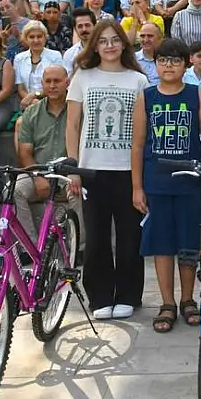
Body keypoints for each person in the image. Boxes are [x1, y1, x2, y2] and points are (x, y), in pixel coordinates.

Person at [131, 38, 201, 332]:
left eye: (175, 60)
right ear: (155, 64)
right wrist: (137, 187)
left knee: (187, 244)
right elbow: (137, 144)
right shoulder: (146, 97)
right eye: (163, 60)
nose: (168, 65)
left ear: (186, 64)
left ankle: (188, 300)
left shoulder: (197, 94)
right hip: (156, 182)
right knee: (162, 245)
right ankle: (167, 302)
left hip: (189, 180)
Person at [66, 19, 150, 319]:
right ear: (95, 46)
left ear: (124, 44)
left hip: (129, 171)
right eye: (104, 41)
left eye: (115, 40)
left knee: (130, 236)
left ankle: (128, 294)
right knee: (97, 238)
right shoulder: (83, 77)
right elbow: (73, 124)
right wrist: (73, 167)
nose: (110, 45)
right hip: (92, 171)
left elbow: (143, 132)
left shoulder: (138, 80)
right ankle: (100, 296)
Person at [14, 64, 83, 241]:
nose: (52, 86)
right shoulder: (32, 112)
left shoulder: (78, 109)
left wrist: (75, 172)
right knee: (15, 190)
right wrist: (37, 177)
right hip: (39, 169)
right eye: (48, 81)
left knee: (77, 192)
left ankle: (80, 247)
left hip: (70, 170)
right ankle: (29, 244)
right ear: (42, 84)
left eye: (57, 81)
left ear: (67, 82)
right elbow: (25, 152)